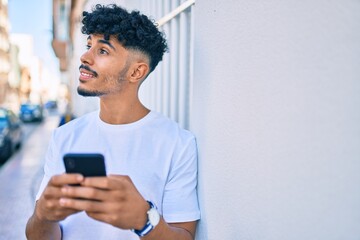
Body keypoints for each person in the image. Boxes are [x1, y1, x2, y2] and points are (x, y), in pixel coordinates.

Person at [25, 4, 200, 240]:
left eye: (103, 51)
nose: (85, 57)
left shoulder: (177, 143)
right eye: (89, 46)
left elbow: (185, 236)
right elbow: (38, 235)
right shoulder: (64, 136)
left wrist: (144, 220)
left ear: (136, 72)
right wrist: (43, 216)